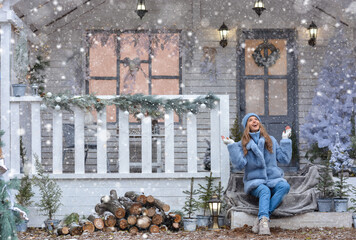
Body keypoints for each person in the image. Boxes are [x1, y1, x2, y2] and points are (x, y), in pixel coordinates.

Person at [222, 113, 292, 235]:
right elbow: (238, 165)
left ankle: (261, 218)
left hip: (273, 179)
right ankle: (264, 223)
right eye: (250, 120)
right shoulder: (242, 144)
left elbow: (284, 159)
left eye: (256, 119)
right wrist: (232, 145)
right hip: (255, 181)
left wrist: (285, 140)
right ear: (246, 125)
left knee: (284, 186)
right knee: (265, 190)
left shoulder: (271, 140)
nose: (254, 121)